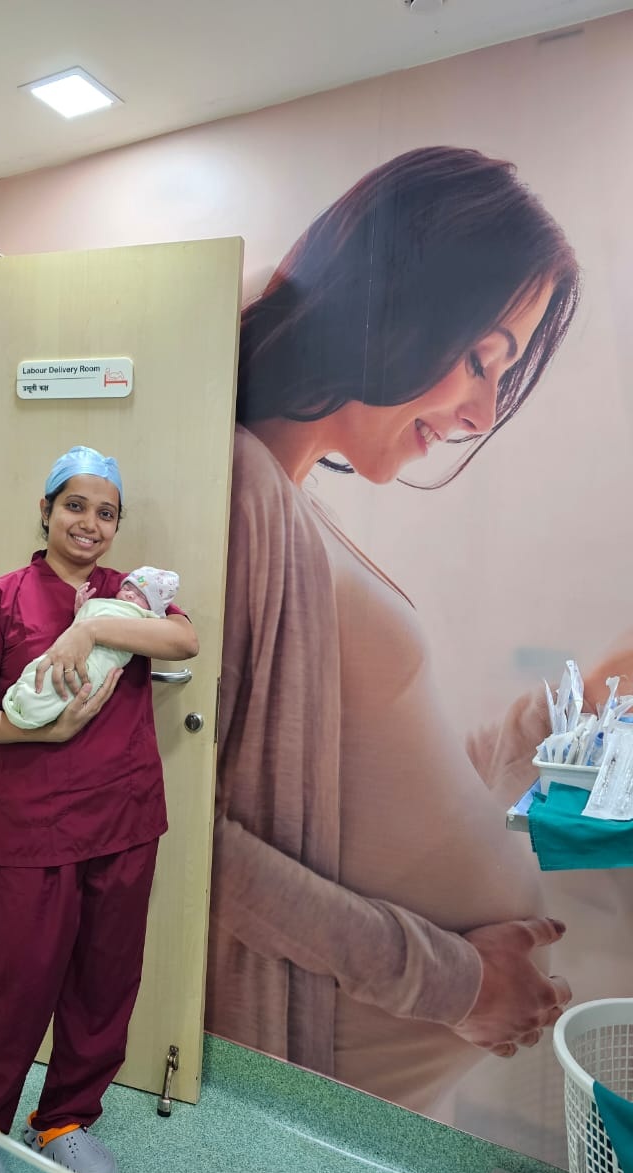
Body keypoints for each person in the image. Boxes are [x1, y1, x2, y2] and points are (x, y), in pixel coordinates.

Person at [207, 147, 582, 1115]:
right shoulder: (240, 492)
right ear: (390, 302)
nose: (483, 412)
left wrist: (552, 719)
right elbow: (175, 835)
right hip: (317, 1074)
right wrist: (456, 983)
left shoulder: (292, 502)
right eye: (480, 359)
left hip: (375, 1074)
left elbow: (374, 790)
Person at [0, 445, 198, 1173]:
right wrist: (40, 732)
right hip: (32, 829)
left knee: (104, 984)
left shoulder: (130, 595)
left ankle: (64, 1119)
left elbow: (184, 640)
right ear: (47, 510)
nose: (90, 523)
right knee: (16, 987)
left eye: (106, 512)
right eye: (75, 506)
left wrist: (89, 631)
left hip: (124, 820)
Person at [2, 566, 181, 729]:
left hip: (94, 665)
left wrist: (91, 628)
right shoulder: (2, 592)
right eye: (127, 588)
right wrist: (83, 610)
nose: (130, 595)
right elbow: (80, 630)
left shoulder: (146, 618)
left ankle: (33, 707)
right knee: (44, 668)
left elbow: (185, 642)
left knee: (70, 683)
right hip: (67, 655)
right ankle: (26, 698)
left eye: (141, 596)